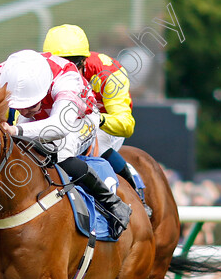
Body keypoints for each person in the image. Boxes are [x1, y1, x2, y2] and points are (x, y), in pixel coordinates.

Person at [0, 49, 131, 238]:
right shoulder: (9, 70)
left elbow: (59, 128)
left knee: (58, 153)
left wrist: (15, 130)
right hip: (45, 117)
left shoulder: (68, 79)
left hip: (78, 120)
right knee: (15, 150)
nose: (24, 110)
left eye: (30, 104)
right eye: (20, 105)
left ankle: (112, 202)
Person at [43, 24, 150, 215]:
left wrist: (97, 119)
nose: (65, 71)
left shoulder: (110, 74)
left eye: (72, 64)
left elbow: (126, 125)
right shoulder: (40, 71)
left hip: (102, 122)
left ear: (84, 62)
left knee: (95, 137)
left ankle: (134, 196)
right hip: (64, 116)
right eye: (58, 64)